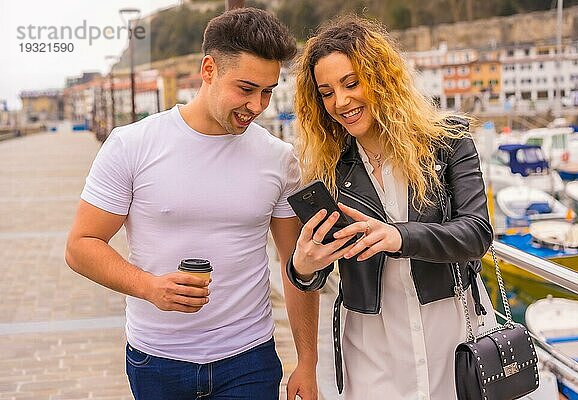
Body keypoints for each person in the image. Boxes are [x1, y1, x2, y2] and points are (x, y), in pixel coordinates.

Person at [65, 8, 319, 400]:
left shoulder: (278, 158)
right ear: (208, 69)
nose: (257, 105)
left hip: (249, 358)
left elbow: (295, 265)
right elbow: (81, 246)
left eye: (267, 91)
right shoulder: (132, 144)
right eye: (246, 88)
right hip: (157, 359)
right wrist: (149, 287)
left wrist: (307, 361)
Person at [287, 15, 497, 399]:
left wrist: (397, 236)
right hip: (370, 345)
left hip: (451, 333)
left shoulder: (447, 143)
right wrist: (303, 265)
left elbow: (476, 234)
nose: (341, 102)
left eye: (351, 83)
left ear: (382, 78)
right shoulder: (328, 170)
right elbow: (315, 276)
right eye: (327, 92)